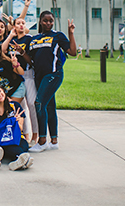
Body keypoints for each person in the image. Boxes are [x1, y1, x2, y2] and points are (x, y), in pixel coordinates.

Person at [27, 11, 77, 153]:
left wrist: (71, 33)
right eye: (45, 20)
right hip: (39, 77)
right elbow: (31, 60)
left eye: (51, 21)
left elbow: (72, 51)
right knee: (49, 106)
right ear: (40, 21)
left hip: (53, 74)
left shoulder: (58, 36)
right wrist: (22, 52)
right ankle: (54, 141)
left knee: (39, 103)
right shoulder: (34, 39)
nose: (48, 23)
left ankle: (42, 141)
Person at [0, 83, 34, 171]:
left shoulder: (15, 106)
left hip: (15, 138)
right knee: (3, 147)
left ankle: (19, 160)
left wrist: (17, 121)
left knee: (23, 144)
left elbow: (19, 130)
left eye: (0, 91)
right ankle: (22, 159)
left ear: (4, 91)